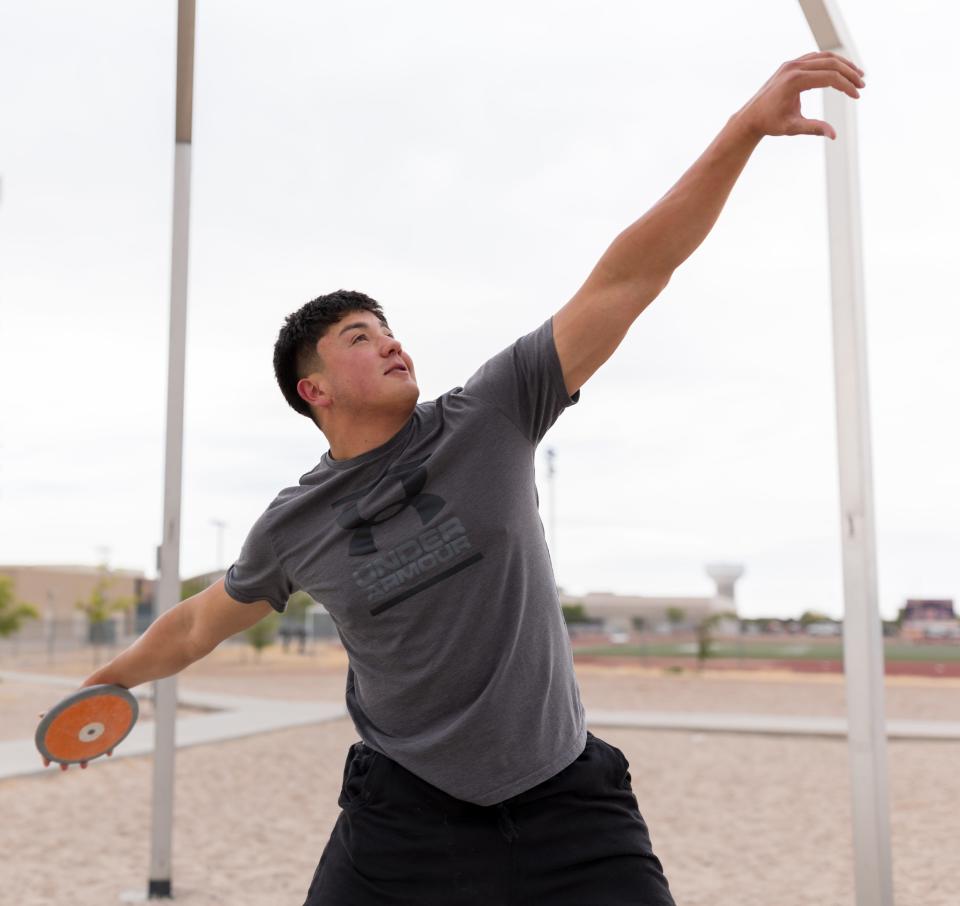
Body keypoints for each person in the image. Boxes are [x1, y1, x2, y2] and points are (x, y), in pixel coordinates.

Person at [70, 51, 864, 905]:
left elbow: (632, 275)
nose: (390, 341)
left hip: (566, 799)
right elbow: (195, 627)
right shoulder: (295, 524)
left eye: (387, 326)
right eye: (359, 338)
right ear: (316, 390)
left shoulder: (490, 413)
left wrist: (743, 128)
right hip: (403, 817)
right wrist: (102, 685)